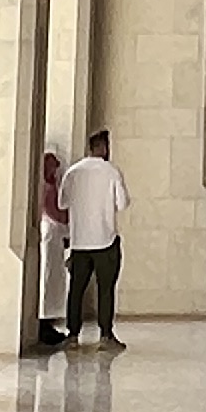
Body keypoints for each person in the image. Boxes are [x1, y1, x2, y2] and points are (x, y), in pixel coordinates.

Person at [61, 128, 127, 346]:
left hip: (79, 241)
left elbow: (62, 203)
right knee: (105, 289)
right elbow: (122, 203)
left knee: (76, 289)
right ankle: (105, 335)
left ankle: (72, 335)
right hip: (104, 239)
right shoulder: (111, 171)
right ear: (104, 147)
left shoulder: (72, 172)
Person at [33, 146, 70, 347]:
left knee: (53, 277)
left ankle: (49, 318)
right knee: (46, 277)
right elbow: (53, 211)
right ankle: (43, 320)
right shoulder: (45, 188)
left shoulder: (50, 185)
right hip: (48, 234)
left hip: (54, 236)